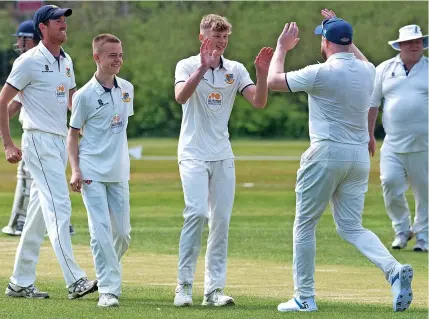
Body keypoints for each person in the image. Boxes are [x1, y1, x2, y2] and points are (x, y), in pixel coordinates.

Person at [267, 9, 413, 313]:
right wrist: (339, 28)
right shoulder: (368, 69)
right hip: (358, 157)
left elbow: (273, 82)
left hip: (326, 153)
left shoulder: (320, 72)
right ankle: (393, 269)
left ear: (326, 44)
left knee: (305, 225)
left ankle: (304, 297)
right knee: (350, 227)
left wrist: (281, 48)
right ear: (350, 43)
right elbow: (356, 56)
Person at [173, 14, 273, 307]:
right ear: (202, 37)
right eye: (216, 37)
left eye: (225, 37)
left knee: (221, 221)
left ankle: (213, 291)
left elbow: (259, 101)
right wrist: (202, 69)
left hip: (222, 154)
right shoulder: (187, 65)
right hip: (192, 152)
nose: (221, 42)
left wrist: (262, 73)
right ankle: (184, 286)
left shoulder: (236, 69)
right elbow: (180, 96)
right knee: (196, 213)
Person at [0, 5, 97, 299]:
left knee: (38, 217)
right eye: (57, 21)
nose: (63, 24)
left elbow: (71, 102)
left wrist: (95, 117)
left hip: (58, 142)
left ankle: (19, 282)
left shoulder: (66, 61)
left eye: (64, 20)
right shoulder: (28, 61)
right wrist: (8, 144)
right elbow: (2, 102)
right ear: (42, 27)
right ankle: (75, 280)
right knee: (60, 206)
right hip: (37, 141)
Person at [68, 33, 133, 307]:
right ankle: (108, 290)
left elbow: (119, 127)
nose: (118, 59)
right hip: (92, 170)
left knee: (122, 235)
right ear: (97, 57)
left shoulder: (127, 88)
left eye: (120, 54)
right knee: (100, 231)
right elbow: (73, 135)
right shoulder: (83, 95)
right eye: (112, 55)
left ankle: (106, 271)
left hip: (118, 171)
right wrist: (75, 170)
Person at [2, 20, 75, 237]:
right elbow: (11, 103)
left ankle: (23, 224)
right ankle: (24, 225)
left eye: (21, 38)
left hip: (46, 134)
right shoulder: (29, 63)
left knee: (37, 187)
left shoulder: (41, 62)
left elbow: (12, 104)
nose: (18, 42)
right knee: (39, 186)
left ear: (31, 38)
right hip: (38, 137)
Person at [368, 24, 428, 252]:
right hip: (392, 143)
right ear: (400, 45)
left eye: (418, 41)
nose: (414, 45)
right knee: (390, 183)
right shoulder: (384, 68)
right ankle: (402, 230)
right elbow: (372, 104)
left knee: (425, 192)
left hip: (424, 144)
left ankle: (423, 236)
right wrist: (369, 135)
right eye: (409, 42)